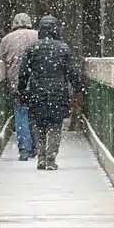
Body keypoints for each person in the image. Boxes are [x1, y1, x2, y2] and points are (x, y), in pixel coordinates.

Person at [18, 15, 84, 171]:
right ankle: (50, 158)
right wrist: (78, 90)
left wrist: (21, 90)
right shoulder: (63, 49)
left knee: (38, 125)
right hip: (58, 93)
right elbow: (72, 72)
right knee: (55, 125)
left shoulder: (32, 49)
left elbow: (23, 74)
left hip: (37, 92)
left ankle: (40, 157)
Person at [0, 11, 39, 160]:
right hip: (35, 83)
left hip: (16, 84)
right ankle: (36, 148)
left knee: (21, 114)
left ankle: (24, 150)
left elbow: (2, 59)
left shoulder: (6, 39)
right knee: (35, 115)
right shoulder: (38, 36)